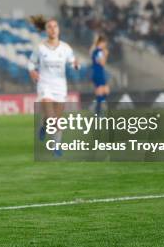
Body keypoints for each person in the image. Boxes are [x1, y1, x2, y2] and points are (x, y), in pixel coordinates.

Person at [28, 16, 79, 156]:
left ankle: (43, 126)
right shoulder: (40, 48)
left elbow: (73, 62)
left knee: (56, 117)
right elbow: (31, 62)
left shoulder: (65, 48)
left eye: (55, 26)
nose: (53, 29)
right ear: (46, 30)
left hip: (60, 86)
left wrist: (76, 65)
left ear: (59, 29)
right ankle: (56, 147)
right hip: (45, 85)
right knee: (53, 119)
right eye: (50, 27)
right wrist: (32, 71)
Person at [91, 35, 110, 116]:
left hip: (97, 72)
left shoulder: (95, 51)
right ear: (101, 43)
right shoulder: (99, 52)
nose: (105, 45)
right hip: (98, 73)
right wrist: (106, 55)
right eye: (104, 43)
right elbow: (102, 63)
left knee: (106, 90)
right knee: (101, 92)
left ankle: (96, 106)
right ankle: (97, 112)